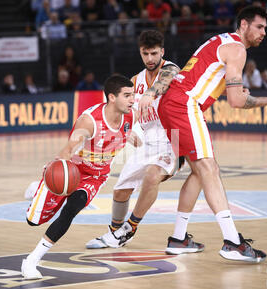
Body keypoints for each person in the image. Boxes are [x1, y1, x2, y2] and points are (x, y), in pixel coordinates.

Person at [139, 6, 267, 263]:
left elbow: (220, 86)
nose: (264, 33)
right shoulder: (238, 49)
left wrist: (239, 92)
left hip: (173, 103)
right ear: (244, 25)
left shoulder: (221, 40)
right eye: (259, 27)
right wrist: (266, 100)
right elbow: (237, 102)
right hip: (184, 104)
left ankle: (179, 239)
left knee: (199, 171)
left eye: (266, 28)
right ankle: (232, 242)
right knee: (209, 168)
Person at [84, 30, 201, 255]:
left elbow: (166, 77)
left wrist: (150, 93)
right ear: (140, 52)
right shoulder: (135, 80)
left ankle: (130, 228)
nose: (150, 58)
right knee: (120, 191)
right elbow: (123, 109)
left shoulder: (172, 70)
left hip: (173, 141)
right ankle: (115, 234)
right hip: (147, 141)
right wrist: (126, 130)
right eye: (145, 53)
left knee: (152, 175)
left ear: (162, 52)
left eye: (154, 53)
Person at [21, 74, 138, 279]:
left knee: (70, 210)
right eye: (127, 95)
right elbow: (67, 151)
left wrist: (137, 140)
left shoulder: (131, 116)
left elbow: (126, 132)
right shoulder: (89, 121)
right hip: (73, 170)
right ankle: (37, 188)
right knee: (33, 220)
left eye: (133, 95)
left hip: (95, 177)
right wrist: (57, 172)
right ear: (112, 97)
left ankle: (31, 260)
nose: (132, 100)